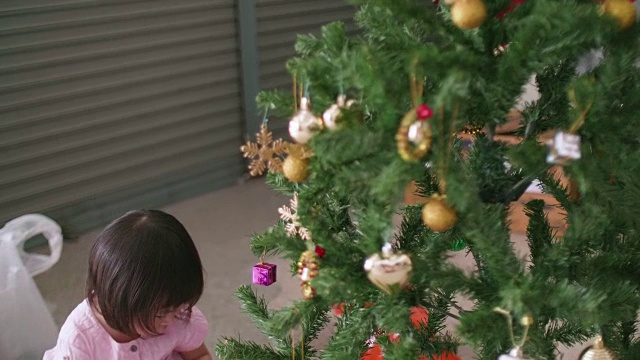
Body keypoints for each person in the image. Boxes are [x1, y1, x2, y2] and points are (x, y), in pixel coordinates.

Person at [44, 210, 212, 360]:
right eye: (161, 314)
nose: (170, 320)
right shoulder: (79, 340)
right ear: (121, 301)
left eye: (177, 308)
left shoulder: (177, 316)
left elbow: (199, 355)